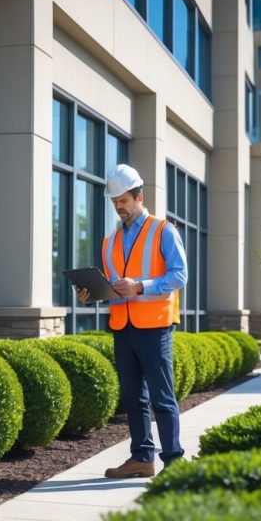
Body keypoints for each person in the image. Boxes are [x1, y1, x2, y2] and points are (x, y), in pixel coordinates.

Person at [74, 164, 187, 478]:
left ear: (139, 196)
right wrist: (93, 293)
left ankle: (174, 462)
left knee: (162, 397)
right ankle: (142, 458)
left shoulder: (164, 230)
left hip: (155, 326)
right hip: (122, 326)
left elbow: (180, 275)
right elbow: (113, 286)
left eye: (123, 200)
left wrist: (141, 285)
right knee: (133, 397)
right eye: (114, 202)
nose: (118, 207)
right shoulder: (109, 242)